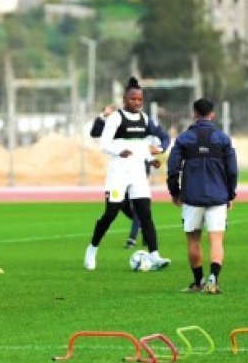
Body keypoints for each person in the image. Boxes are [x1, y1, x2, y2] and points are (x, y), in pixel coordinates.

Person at [84, 77, 170, 271]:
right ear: (124, 100)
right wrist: (119, 151)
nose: (137, 103)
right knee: (111, 213)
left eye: (140, 100)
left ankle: (155, 255)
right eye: (133, 99)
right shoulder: (116, 118)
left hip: (138, 173)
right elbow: (104, 142)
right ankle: (92, 249)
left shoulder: (145, 119)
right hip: (118, 173)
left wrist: (156, 153)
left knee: (145, 214)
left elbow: (163, 137)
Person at [166, 98, 237, 294]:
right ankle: (213, 279)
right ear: (212, 114)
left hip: (192, 197)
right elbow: (232, 170)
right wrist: (230, 194)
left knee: (193, 240)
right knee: (216, 240)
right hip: (217, 197)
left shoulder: (183, 139)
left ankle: (199, 282)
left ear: (194, 113)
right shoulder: (222, 139)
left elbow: (172, 168)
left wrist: (175, 192)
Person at [90, 105, 142, 248]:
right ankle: (142, 224)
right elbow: (94, 133)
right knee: (119, 207)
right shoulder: (110, 126)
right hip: (118, 173)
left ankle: (133, 239)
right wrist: (102, 116)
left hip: (136, 168)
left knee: (140, 204)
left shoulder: (133, 122)